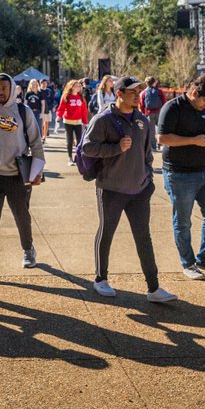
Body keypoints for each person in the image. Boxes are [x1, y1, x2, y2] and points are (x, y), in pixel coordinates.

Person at [79, 76, 178, 303]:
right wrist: (116, 148)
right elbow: (88, 148)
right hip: (111, 188)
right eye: (133, 92)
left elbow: (147, 154)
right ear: (119, 93)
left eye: (138, 92)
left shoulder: (141, 120)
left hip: (139, 191)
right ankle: (100, 278)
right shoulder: (103, 119)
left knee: (144, 237)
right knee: (107, 233)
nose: (137, 95)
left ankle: (153, 288)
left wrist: (148, 180)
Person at [0, 73, 45, 284]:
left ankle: (28, 249)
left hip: (17, 175)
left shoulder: (23, 112)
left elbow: (36, 142)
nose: (0, 91)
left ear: (12, 89)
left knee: (22, 215)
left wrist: (38, 169)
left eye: (4, 88)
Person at [157, 75, 205, 280]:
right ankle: (187, 263)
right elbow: (162, 138)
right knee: (183, 222)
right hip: (179, 174)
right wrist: (194, 141)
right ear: (194, 93)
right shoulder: (172, 108)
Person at [56, 79, 90, 165]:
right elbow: (61, 107)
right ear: (71, 86)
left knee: (79, 140)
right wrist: (59, 116)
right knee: (69, 140)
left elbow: (84, 110)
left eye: (79, 86)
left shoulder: (81, 97)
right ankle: (70, 158)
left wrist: (85, 121)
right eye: (76, 86)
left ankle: (78, 157)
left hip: (78, 121)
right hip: (68, 121)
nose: (78, 87)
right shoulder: (66, 96)